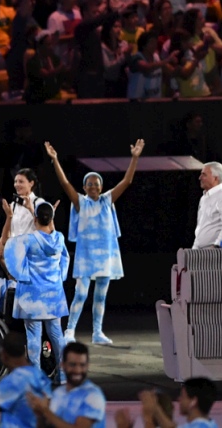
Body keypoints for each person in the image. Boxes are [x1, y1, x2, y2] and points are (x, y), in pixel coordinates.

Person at [48, 139, 144, 345]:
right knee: (80, 294)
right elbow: (65, 184)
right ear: (84, 187)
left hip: (106, 255)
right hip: (86, 255)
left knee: (101, 296)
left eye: (96, 183)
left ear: (101, 186)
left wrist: (135, 158)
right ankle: (70, 330)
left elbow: (126, 181)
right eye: (89, 184)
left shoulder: (108, 200)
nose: (93, 186)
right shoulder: (80, 202)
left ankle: (97, 332)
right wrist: (55, 160)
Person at [3, 200, 68, 373]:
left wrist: (9, 217)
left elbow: (7, 246)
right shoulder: (59, 238)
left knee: (33, 336)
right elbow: (65, 260)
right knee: (57, 335)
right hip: (54, 295)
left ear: (35, 219)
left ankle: (35, 376)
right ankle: (62, 375)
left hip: (32, 295)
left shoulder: (27, 240)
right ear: (52, 218)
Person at [28, 342, 108, 428]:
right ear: (62, 365)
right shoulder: (58, 393)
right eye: (72, 365)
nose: (77, 370)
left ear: (88, 366)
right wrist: (40, 413)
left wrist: (45, 411)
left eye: (82, 365)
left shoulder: (93, 395)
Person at [193, 162, 222, 249]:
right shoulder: (204, 198)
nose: (200, 178)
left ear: (215, 178)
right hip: (201, 251)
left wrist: (217, 246)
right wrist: (195, 248)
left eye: (204, 175)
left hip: (216, 253)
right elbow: (201, 227)